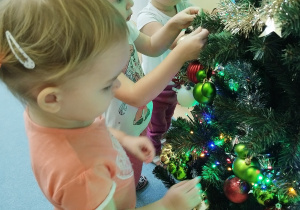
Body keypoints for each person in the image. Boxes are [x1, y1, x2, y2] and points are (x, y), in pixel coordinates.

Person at [0, 0, 203, 209]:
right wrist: (166, 206)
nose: (117, 86)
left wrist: (123, 139)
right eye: (107, 85)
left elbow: (91, 131)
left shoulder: (62, 115)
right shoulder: (81, 176)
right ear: (52, 99)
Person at [106, 0, 209, 190]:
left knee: (135, 165)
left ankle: (134, 180)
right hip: (117, 136)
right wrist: (179, 55)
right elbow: (135, 95)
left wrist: (172, 24)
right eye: (119, 0)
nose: (131, 2)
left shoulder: (124, 27)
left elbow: (152, 45)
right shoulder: (95, 51)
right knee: (120, 177)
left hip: (138, 120)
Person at [137, 0, 195, 165]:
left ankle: (161, 138)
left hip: (177, 82)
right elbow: (174, 42)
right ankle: (153, 153)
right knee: (156, 123)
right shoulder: (147, 17)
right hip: (156, 85)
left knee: (168, 115)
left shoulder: (183, 6)